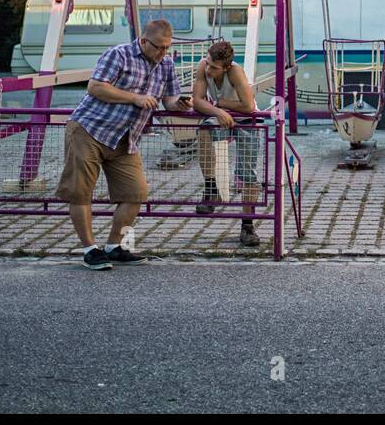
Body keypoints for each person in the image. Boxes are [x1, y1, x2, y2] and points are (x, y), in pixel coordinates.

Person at [57, 19, 190, 270]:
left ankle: (113, 246)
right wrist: (135, 98)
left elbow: (169, 100)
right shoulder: (118, 54)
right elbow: (95, 87)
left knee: (135, 193)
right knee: (80, 191)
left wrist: (179, 105)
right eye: (159, 47)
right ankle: (89, 250)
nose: (163, 53)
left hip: (126, 138)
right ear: (143, 41)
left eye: (167, 48)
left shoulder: (167, 65)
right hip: (89, 129)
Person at [192, 39, 262, 246]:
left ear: (226, 67)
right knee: (204, 129)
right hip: (222, 115)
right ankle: (211, 188)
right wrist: (219, 111)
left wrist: (221, 103)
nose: (209, 70)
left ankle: (247, 226)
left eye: (214, 68)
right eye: (208, 63)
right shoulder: (203, 67)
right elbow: (197, 99)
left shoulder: (235, 72)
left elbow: (249, 107)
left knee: (248, 173)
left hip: (246, 120)